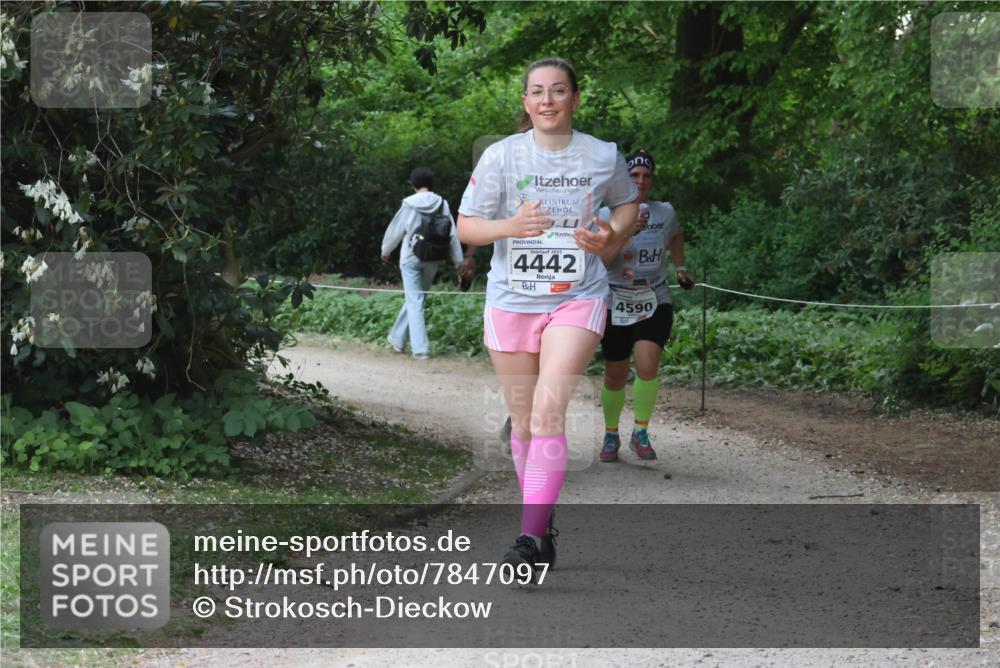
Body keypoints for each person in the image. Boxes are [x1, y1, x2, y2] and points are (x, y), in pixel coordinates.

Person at [457, 57, 639, 576]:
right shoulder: (501, 156)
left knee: (546, 414)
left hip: (576, 296)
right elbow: (466, 226)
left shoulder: (602, 154)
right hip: (512, 301)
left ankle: (529, 538)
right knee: (523, 423)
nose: (547, 100)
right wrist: (509, 226)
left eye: (558, 90)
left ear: (574, 98)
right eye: (537, 91)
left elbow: (627, 205)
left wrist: (612, 237)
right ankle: (542, 505)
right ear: (525, 101)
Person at [598, 148, 694, 463]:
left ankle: (640, 432)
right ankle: (611, 433)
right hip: (615, 299)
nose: (641, 181)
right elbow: (601, 261)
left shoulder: (664, 212)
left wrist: (680, 267)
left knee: (648, 363)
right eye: (634, 175)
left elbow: (676, 235)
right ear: (624, 179)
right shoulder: (606, 215)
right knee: (615, 374)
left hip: (654, 298)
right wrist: (625, 232)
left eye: (646, 175)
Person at [381, 167, 475, 359]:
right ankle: (397, 338)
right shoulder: (442, 203)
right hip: (433, 258)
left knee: (415, 300)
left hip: (410, 258)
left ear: (413, 184)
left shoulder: (409, 204)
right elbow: (451, 234)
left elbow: (396, 229)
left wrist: (386, 250)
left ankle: (420, 350)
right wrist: (458, 261)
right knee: (417, 299)